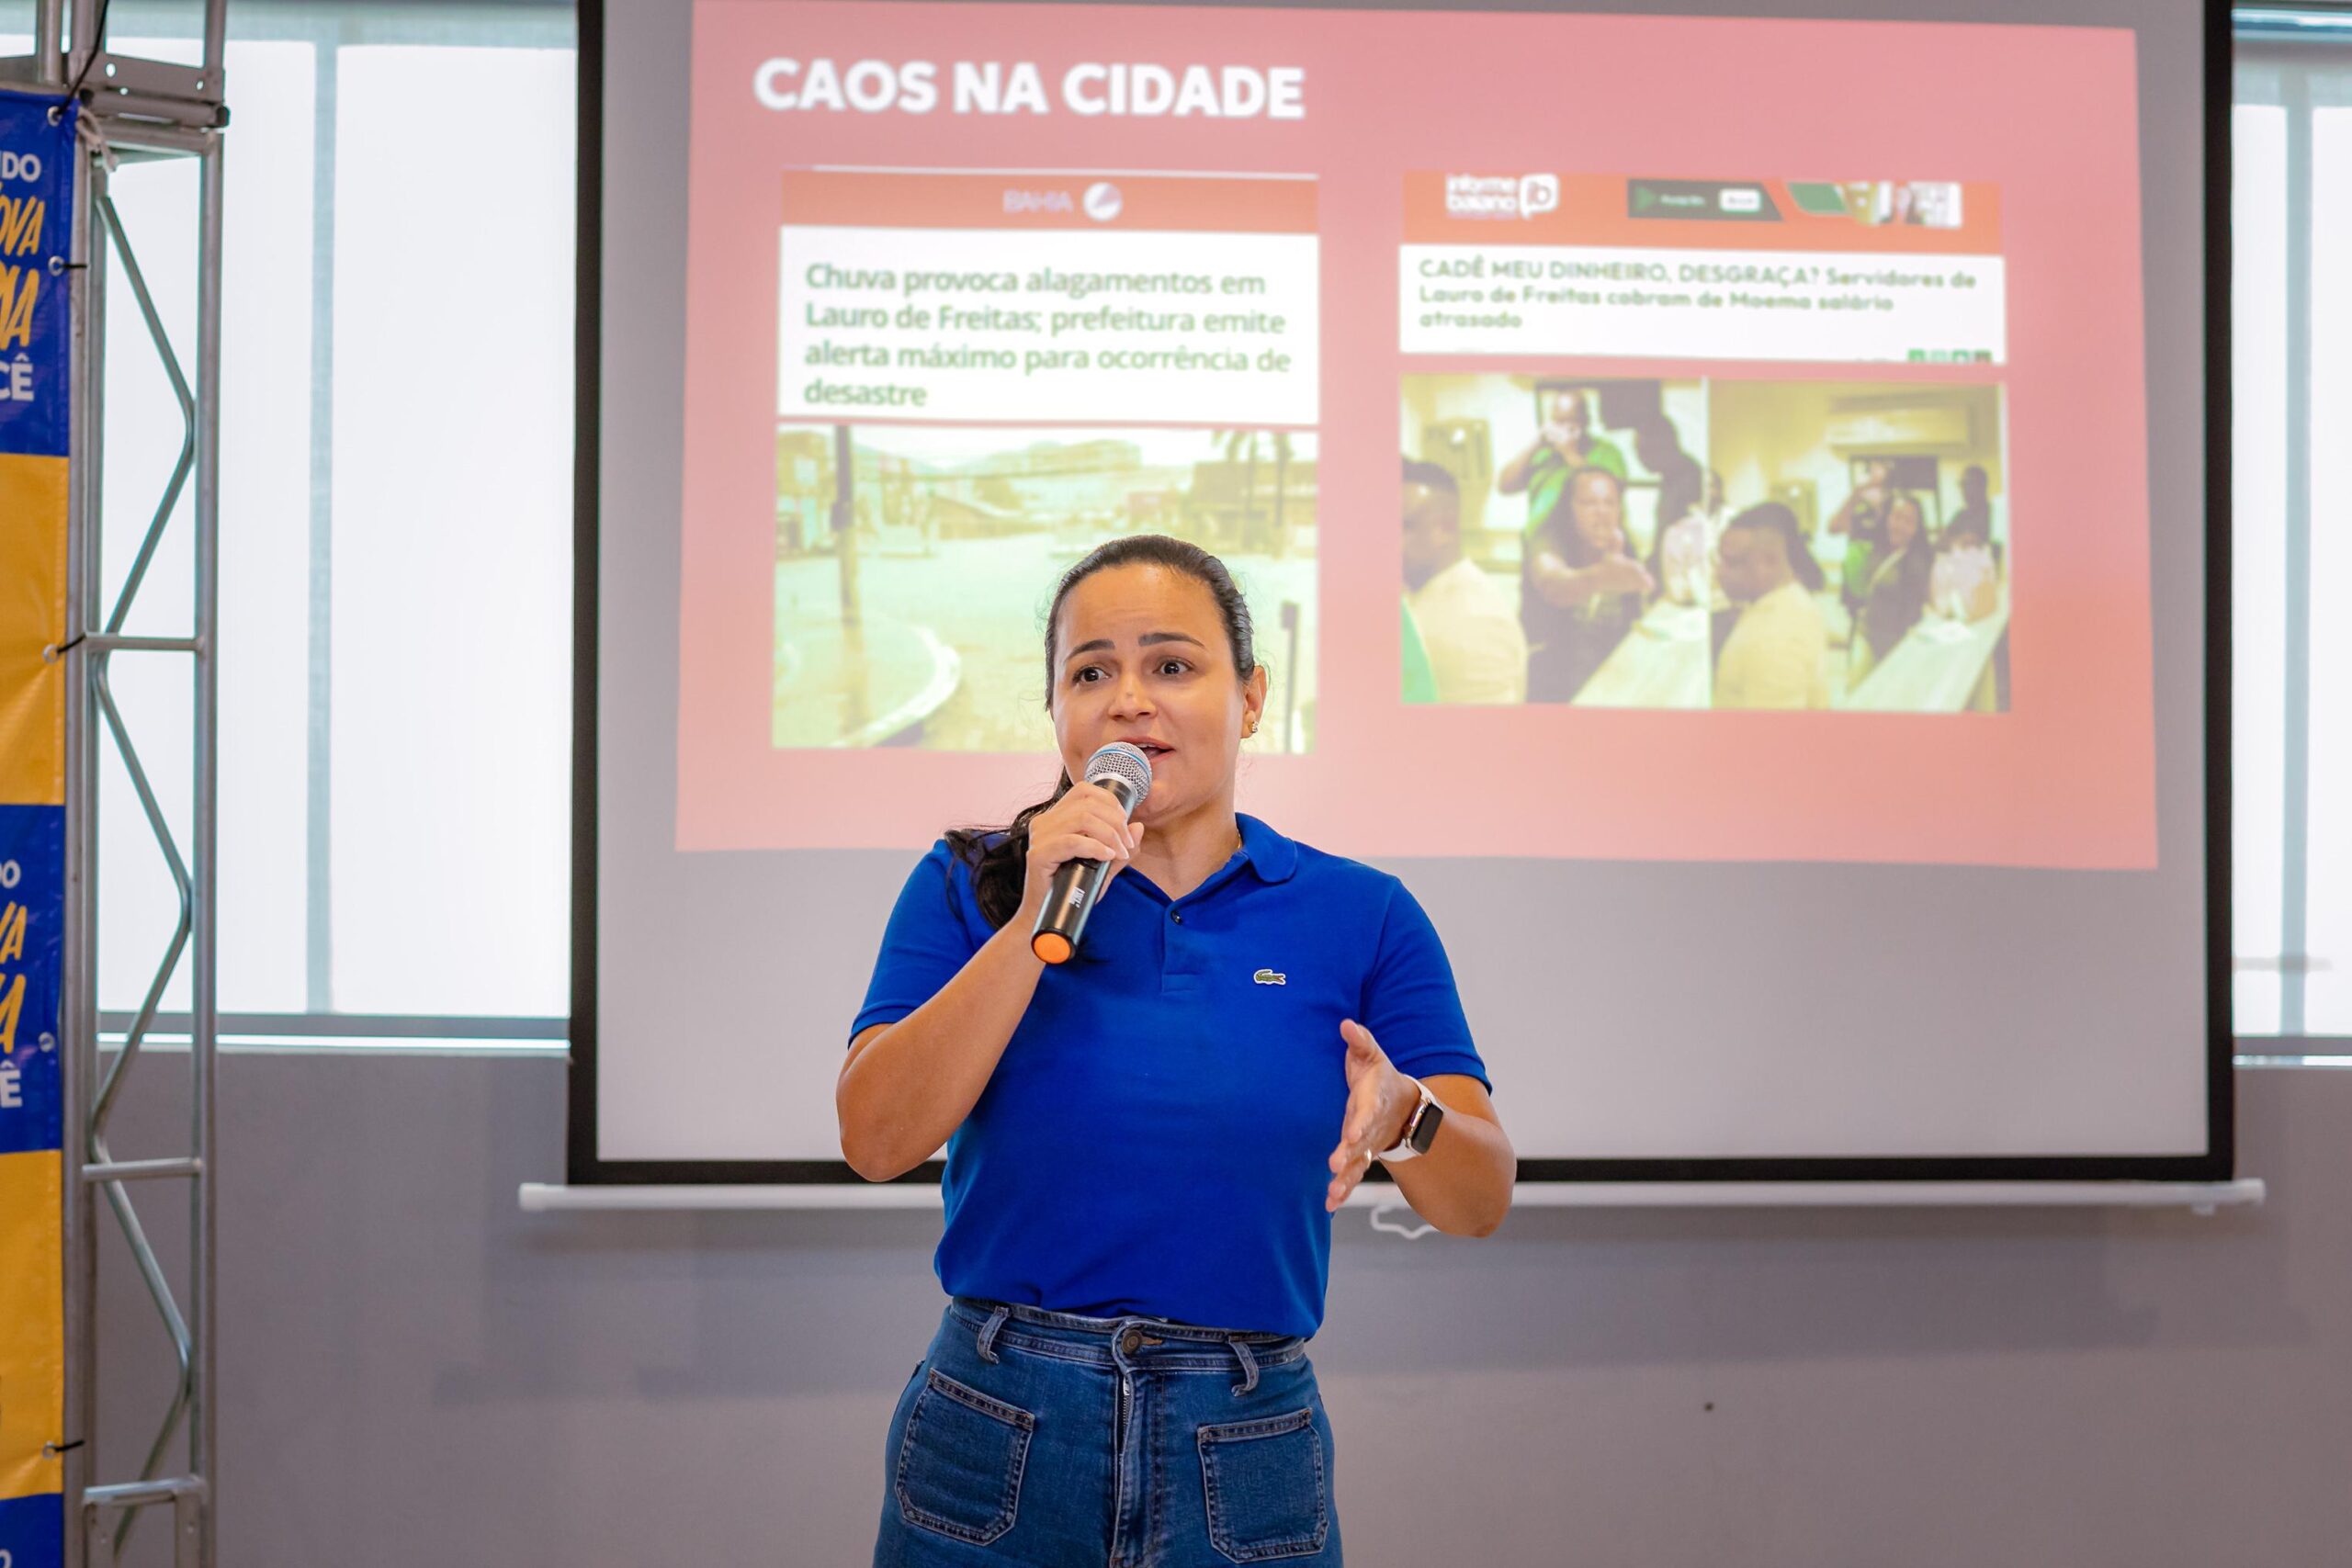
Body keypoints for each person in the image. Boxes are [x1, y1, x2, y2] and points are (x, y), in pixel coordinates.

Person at [840, 534, 1515, 1566]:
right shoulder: (968, 882)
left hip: (1240, 1438)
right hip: (998, 1422)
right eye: (1091, 671)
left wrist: (1404, 1116)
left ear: (1250, 697)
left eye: (1171, 665)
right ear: (1056, 710)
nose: (1127, 700)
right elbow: (876, 1136)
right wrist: (1031, 919)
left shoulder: (1362, 913)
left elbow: (1477, 1200)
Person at [1521, 466, 1654, 703]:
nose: (1602, 512)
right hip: (1552, 685)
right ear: (1569, 508)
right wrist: (1601, 577)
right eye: (1589, 503)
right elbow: (1553, 585)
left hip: (1609, 682)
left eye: (1610, 503)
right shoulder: (1547, 540)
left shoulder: (1624, 545)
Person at [1402, 459, 1528, 704]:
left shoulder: (1473, 624)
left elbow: (1484, 738)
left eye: (1403, 526)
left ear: (1446, 529)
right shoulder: (1422, 593)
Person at [1713, 502, 1830, 710]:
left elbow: (1775, 736)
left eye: (1732, 563)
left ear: (1770, 561)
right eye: (1720, 560)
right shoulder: (1789, 598)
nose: (1720, 572)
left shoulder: (1774, 640)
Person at [1496, 389, 1627, 540]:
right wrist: (1535, 444)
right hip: (1540, 542)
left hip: (1587, 546)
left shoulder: (1607, 453)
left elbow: (1611, 493)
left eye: (1571, 421)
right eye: (1558, 421)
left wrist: (1570, 453)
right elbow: (1505, 486)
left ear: (1585, 421)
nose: (1564, 428)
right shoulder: (1543, 453)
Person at [1851, 491, 1935, 685]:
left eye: (1908, 521)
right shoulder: (1877, 547)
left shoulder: (1919, 561)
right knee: (1856, 693)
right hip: (1867, 637)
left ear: (1917, 528)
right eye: (1896, 517)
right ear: (1887, 518)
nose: (1900, 526)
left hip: (1899, 646)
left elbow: (1925, 602)